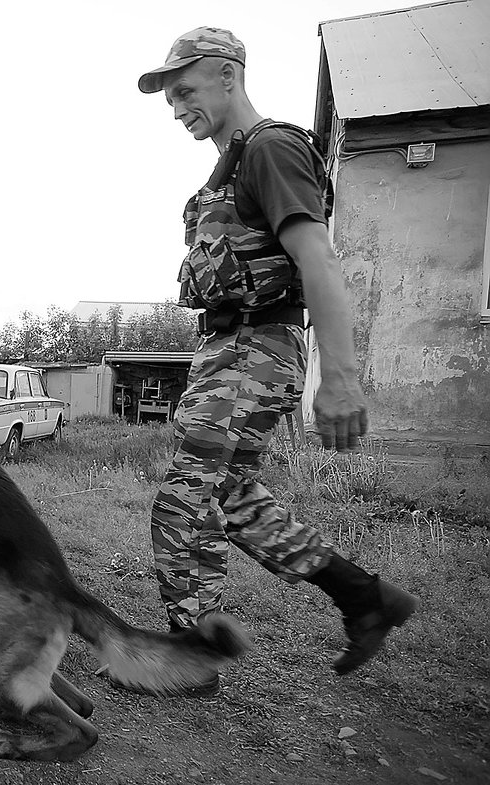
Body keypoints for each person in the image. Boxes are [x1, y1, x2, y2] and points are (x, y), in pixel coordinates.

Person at [130, 27, 417, 694]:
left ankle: (191, 661)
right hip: (232, 348)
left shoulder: (272, 148)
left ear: (229, 75)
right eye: (170, 99)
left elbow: (318, 258)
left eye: (186, 90)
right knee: (231, 498)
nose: (177, 108)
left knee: (183, 501)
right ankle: (364, 597)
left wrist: (341, 377)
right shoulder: (233, 162)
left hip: (255, 348)